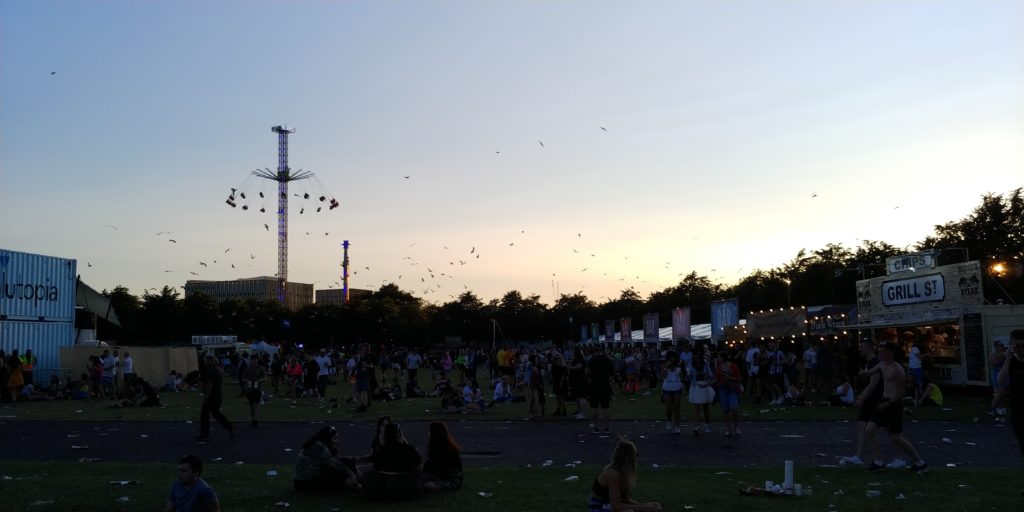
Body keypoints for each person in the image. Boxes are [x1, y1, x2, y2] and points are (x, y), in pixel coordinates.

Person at [861, 342, 927, 472]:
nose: (880, 354)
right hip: (883, 401)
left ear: (890, 352)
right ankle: (878, 461)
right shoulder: (881, 365)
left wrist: (888, 403)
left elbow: (902, 392)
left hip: (893, 404)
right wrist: (864, 372)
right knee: (869, 429)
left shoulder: (898, 369)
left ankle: (919, 462)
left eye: (883, 351)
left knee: (896, 437)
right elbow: (870, 371)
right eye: (879, 351)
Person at [840, 340, 883, 467]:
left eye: (862, 347)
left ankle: (879, 458)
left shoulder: (874, 362)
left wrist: (862, 397)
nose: (860, 349)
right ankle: (859, 455)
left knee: (879, 429)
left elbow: (874, 382)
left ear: (869, 348)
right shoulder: (869, 363)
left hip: (874, 398)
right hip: (870, 397)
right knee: (861, 425)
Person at [588, 438, 662, 512]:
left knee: (655, 505)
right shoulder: (613, 474)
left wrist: (644, 505)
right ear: (629, 459)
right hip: (599, 506)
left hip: (609, 504)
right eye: (636, 455)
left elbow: (624, 500)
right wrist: (643, 508)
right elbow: (616, 506)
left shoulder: (622, 473)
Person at [293, 425, 361, 492]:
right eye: (335, 438)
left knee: (346, 462)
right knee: (340, 471)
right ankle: (357, 485)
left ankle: (358, 482)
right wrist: (350, 473)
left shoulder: (316, 443)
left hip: (303, 482)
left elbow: (331, 461)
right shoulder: (319, 446)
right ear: (328, 438)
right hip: (305, 484)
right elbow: (334, 463)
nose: (337, 441)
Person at [365, 423, 422, 501]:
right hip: (403, 487)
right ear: (398, 435)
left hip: (379, 488)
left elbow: (376, 468)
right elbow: (418, 470)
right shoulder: (409, 450)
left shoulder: (380, 451)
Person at [996, 330, 1024, 468]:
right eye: (1015, 346)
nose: (1019, 349)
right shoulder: (1011, 360)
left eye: (1021, 346)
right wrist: (1007, 358)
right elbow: (1000, 381)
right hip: (1018, 410)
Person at [197, 354, 234, 441]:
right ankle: (229, 425)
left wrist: (205, 397)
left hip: (211, 396)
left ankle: (205, 434)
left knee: (205, 415)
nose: (205, 363)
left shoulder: (210, 370)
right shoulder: (220, 370)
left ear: (209, 361)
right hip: (218, 395)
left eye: (206, 361)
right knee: (216, 414)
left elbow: (210, 385)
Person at [422, 422, 463, 491]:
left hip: (450, 480)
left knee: (427, 485)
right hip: (442, 476)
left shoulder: (447, 450)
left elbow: (447, 471)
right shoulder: (441, 447)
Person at [587, 344, 615, 435]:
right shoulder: (607, 360)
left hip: (594, 386)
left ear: (595, 351)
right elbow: (611, 375)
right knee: (606, 407)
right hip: (605, 386)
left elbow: (586, 372)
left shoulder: (591, 360)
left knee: (595, 407)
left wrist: (590, 379)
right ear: (602, 351)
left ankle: (596, 427)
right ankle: (607, 427)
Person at [688, 346, 715, 435]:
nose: (696, 359)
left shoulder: (705, 365)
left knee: (705, 408)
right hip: (695, 386)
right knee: (696, 408)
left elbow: (711, 375)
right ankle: (697, 426)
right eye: (694, 358)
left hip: (704, 385)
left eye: (697, 357)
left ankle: (707, 425)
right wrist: (688, 376)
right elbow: (690, 376)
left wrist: (707, 383)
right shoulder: (691, 366)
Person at [714, 351, 741, 437]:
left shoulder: (733, 366)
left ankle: (736, 426)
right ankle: (728, 428)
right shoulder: (719, 367)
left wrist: (729, 378)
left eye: (718, 357)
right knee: (725, 410)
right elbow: (716, 378)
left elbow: (738, 378)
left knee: (734, 407)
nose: (717, 359)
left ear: (723, 358)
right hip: (722, 389)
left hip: (731, 389)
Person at [660, 354, 684, 434]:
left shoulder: (678, 368)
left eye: (673, 360)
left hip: (677, 388)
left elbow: (682, 378)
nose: (672, 362)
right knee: (669, 408)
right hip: (667, 388)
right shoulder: (664, 367)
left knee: (677, 408)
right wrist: (666, 367)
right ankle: (669, 420)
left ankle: (677, 426)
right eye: (671, 360)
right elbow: (663, 376)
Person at [244, 354, 267, 426]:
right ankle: (253, 419)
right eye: (252, 359)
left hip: (257, 389)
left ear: (257, 360)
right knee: (251, 405)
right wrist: (247, 381)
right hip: (249, 389)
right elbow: (243, 378)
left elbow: (265, 378)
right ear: (251, 360)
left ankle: (256, 420)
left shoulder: (260, 368)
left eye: (255, 359)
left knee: (256, 405)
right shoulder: (247, 369)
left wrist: (260, 380)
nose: (254, 361)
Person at [990, 340, 1009, 417]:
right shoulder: (992, 354)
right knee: (999, 393)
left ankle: (1001, 408)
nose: (1001, 347)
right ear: (995, 347)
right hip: (997, 373)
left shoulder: (1006, 354)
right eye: (999, 345)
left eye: (1002, 345)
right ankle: (991, 408)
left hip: (1005, 374)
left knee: (1003, 393)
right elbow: (994, 363)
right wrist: (1001, 356)